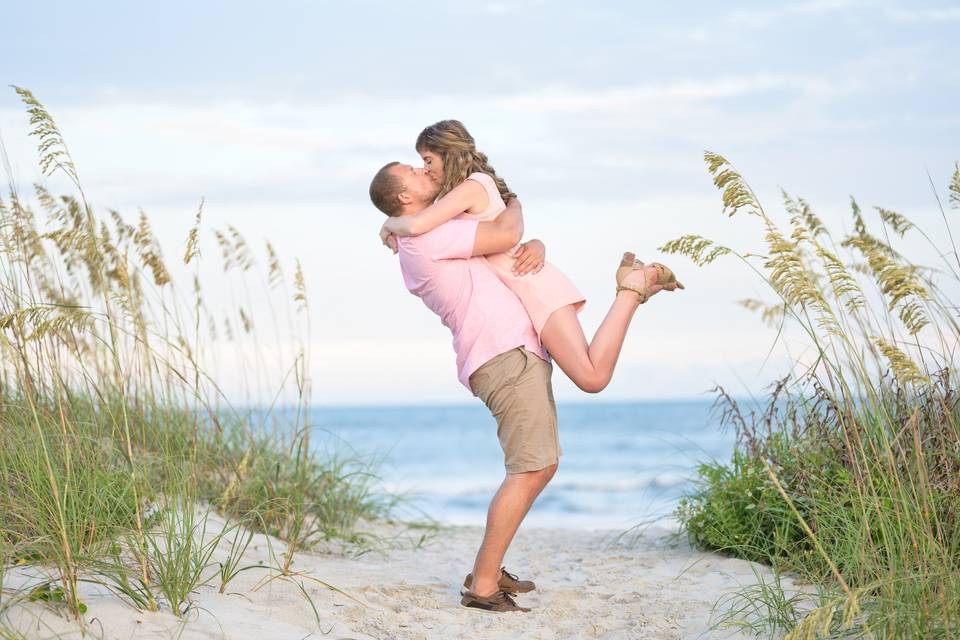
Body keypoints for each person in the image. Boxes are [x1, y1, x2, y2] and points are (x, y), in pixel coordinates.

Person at [369, 160, 673, 612]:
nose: (422, 169)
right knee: (532, 468)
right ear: (405, 198)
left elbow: (503, 244)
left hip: (508, 352)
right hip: (502, 354)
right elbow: (505, 232)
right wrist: (513, 205)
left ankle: (487, 569)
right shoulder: (425, 236)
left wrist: (535, 240)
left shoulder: (428, 230)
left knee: (538, 464)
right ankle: (484, 584)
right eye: (414, 170)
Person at [380, 120, 683, 395]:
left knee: (592, 377)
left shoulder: (471, 187)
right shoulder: (462, 194)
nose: (426, 168)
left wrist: (390, 224)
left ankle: (632, 288)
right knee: (591, 376)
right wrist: (536, 240)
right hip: (523, 283)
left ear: (449, 153)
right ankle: (633, 285)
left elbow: (419, 224)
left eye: (428, 160)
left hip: (530, 282)